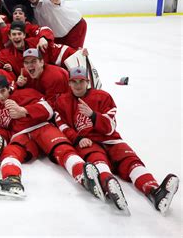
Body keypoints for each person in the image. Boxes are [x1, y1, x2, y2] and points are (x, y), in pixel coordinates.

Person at [54, 66, 180, 214]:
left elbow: (110, 128)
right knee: (97, 159)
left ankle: (154, 191)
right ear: (69, 83)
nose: (77, 85)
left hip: (110, 139)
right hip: (87, 141)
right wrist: (78, 138)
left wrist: (93, 115)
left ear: (87, 81)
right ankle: (108, 183)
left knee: (130, 160)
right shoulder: (62, 101)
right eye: (74, 81)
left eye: (81, 81)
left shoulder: (103, 96)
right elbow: (61, 125)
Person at [0, 75, 105, 199]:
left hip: (42, 127)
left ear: (9, 88)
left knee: (62, 149)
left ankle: (83, 176)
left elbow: (49, 109)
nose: (1, 96)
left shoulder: (26, 93)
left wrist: (23, 110)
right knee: (10, 152)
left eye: (3, 91)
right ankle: (12, 180)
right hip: (21, 135)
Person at [23, 0, 87, 49]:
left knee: (73, 56)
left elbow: (60, 1)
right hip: (59, 35)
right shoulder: (32, 9)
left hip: (74, 28)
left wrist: (58, 2)